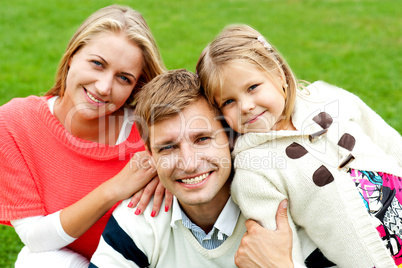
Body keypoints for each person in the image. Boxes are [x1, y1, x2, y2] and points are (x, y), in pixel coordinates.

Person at [195, 24, 402, 267]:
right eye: (229, 101)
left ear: (279, 75)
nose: (246, 106)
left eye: (252, 87)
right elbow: (280, 248)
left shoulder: (328, 97)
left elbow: (390, 142)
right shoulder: (254, 170)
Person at [0, 5, 173, 267]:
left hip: (154, 258)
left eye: (123, 78)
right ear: (72, 55)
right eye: (97, 64)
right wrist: (114, 189)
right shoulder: (14, 123)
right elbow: (35, 239)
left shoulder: (153, 128)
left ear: (136, 86)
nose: (104, 87)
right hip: (77, 260)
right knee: (35, 262)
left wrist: (173, 163)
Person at [89, 69, 300, 268]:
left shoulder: (282, 205)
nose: (189, 164)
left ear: (229, 136)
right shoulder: (139, 218)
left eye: (202, 139)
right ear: (151, 154)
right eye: (168, 147)